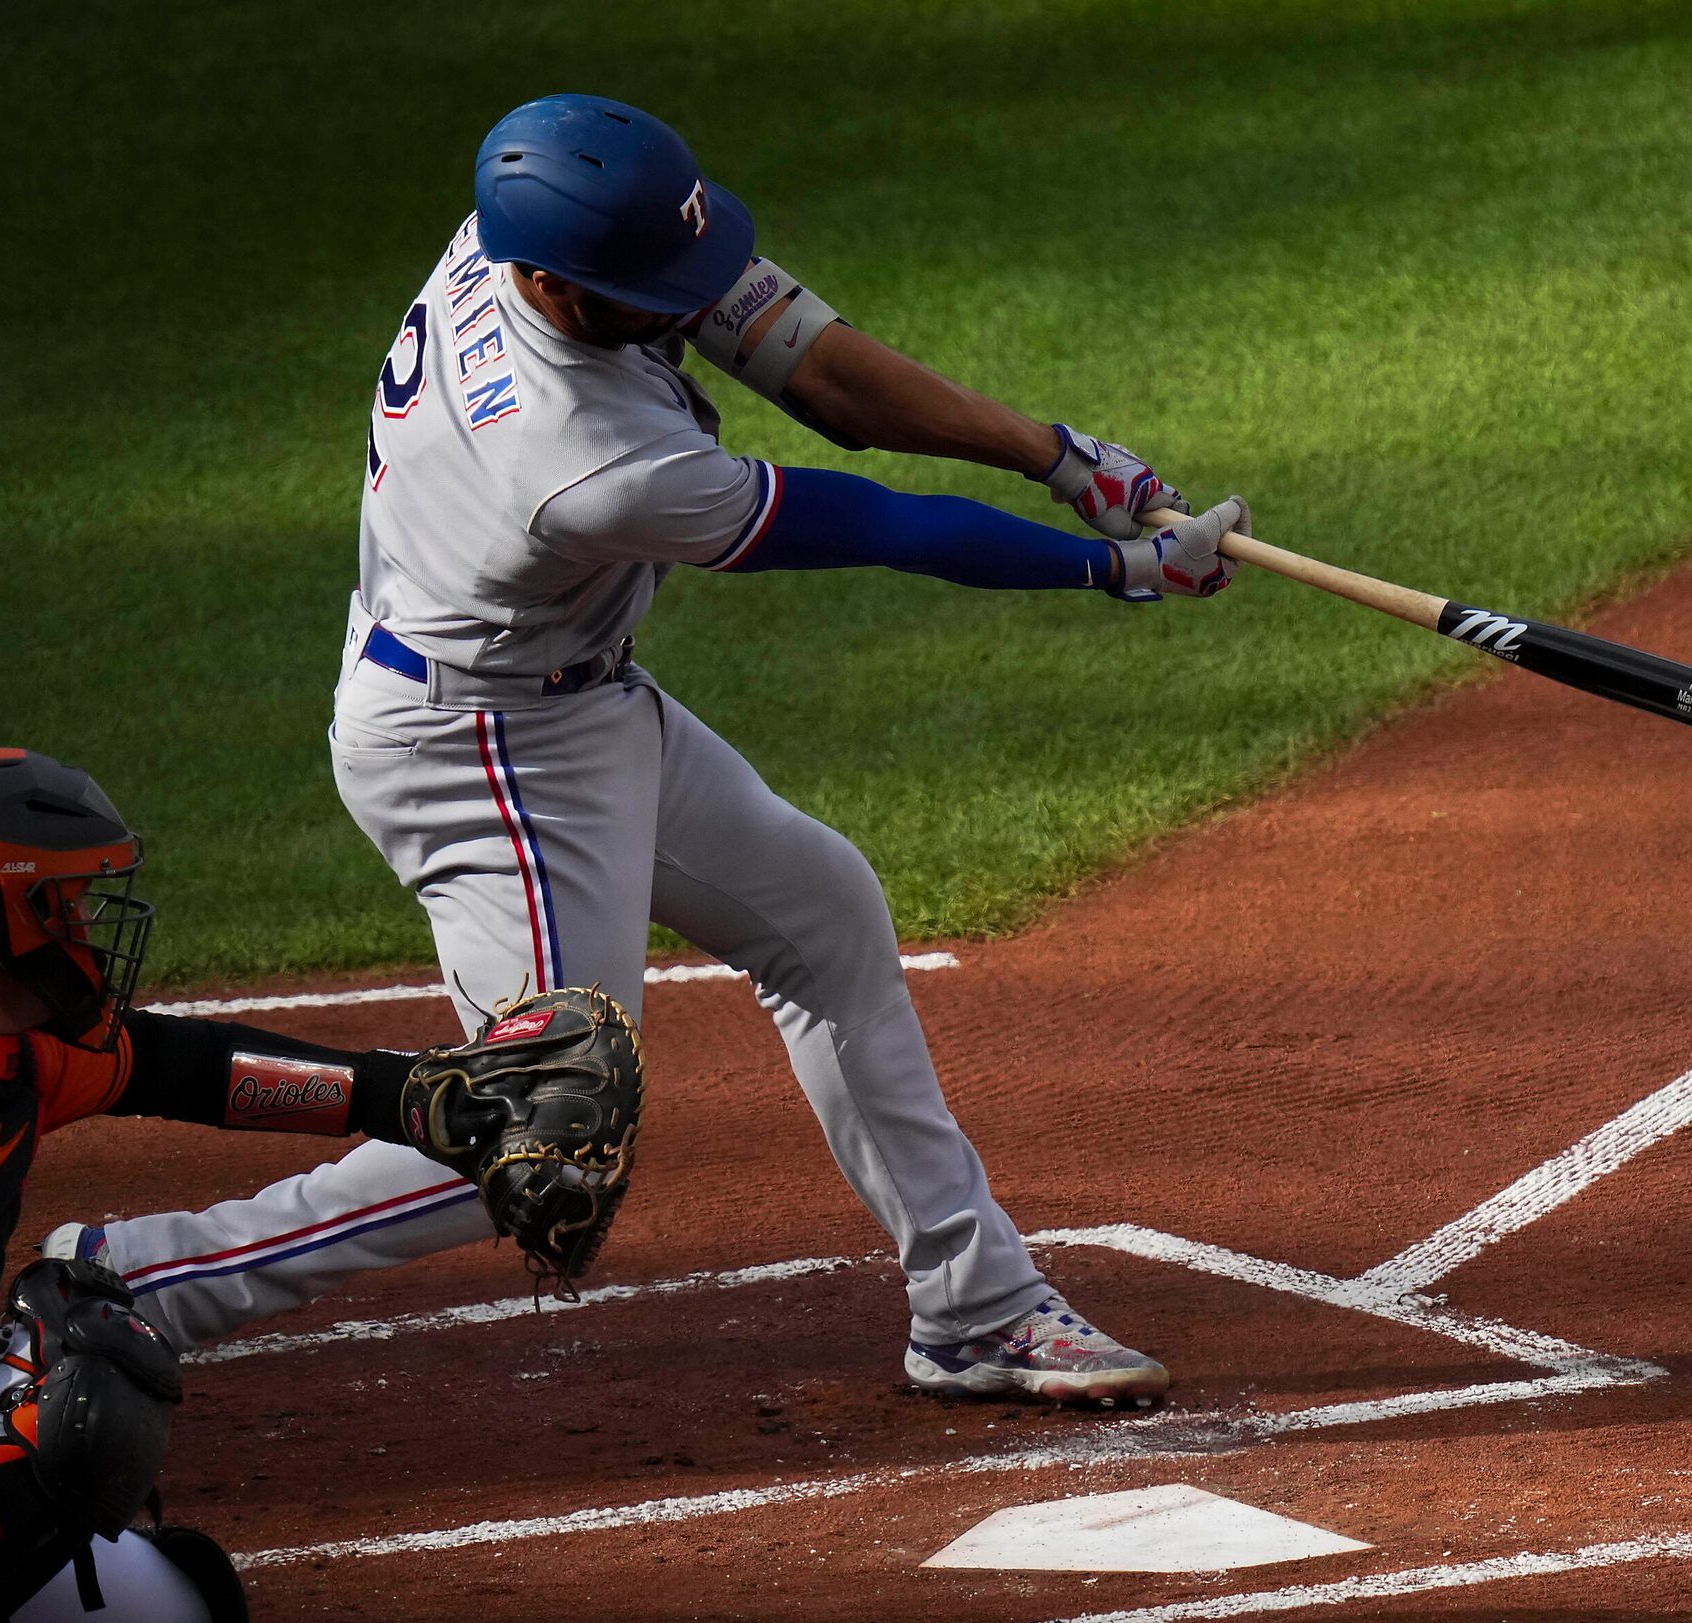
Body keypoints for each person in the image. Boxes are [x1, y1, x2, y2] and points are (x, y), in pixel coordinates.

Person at [62, 94, 1231, 1405]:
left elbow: (818, 368)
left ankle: (976, 1306)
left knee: (821, 913)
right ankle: (139, 1281)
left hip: (572, 701)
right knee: (542, 1131)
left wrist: (1058, 454)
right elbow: (873, 522)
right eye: (651, 287)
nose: (688, 296)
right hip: (483, 750)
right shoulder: (583, 460)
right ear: (557, 282)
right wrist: (1107, 563)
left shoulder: (535, 233)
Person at [0, 747, 579, 1623]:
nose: (88, 930)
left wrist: (413, 1099)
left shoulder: (8, 1053)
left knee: (189, 1615)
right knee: (70, 1395)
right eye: (60, 903)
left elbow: (189, 1069)